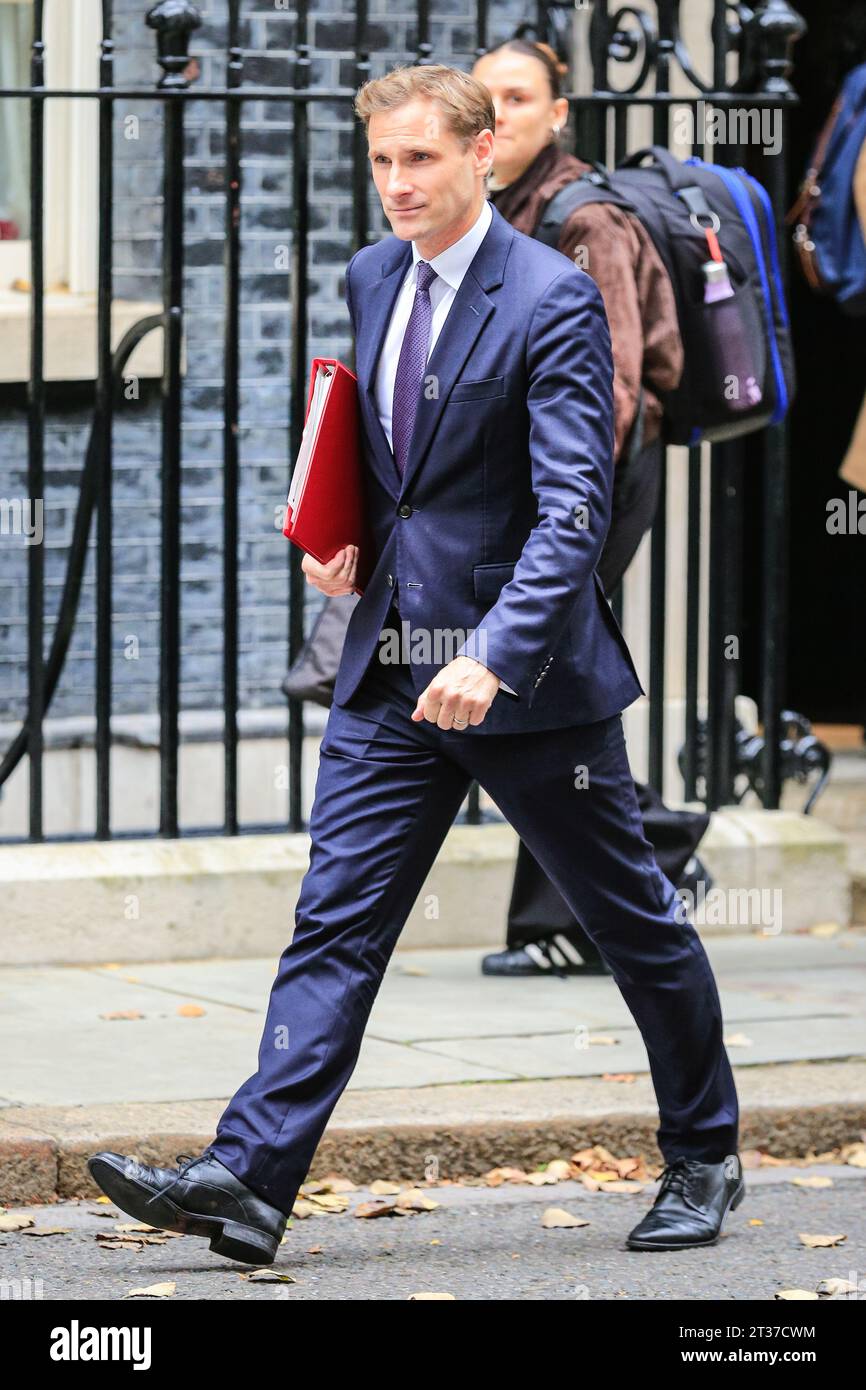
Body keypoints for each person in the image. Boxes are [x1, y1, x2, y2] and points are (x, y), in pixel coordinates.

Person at [87, 63, 743, 1264]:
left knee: (633, 920)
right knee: (334, 924)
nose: (395, 183)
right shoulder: (371, 273)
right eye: (381, 160)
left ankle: (702, 1152)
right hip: (392, 670)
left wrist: (493, 656)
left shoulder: (548, 296)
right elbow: (401, 464)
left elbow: (571, 512)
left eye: (420, 160)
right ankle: (247, 1174)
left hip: (524, 684)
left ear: (480, 154)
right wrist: (346, 542)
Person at [473, 38, 712, 978]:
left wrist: (557, 510)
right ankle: (648, 860)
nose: (500, 115)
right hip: (551, 487)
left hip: (593, 484)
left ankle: (577, 911)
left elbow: (608, 388)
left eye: (520, 97)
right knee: (547, 681)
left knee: (542, 674)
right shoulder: (507, 211)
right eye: (484, 99)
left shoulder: (587, 218)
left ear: (560, 111)